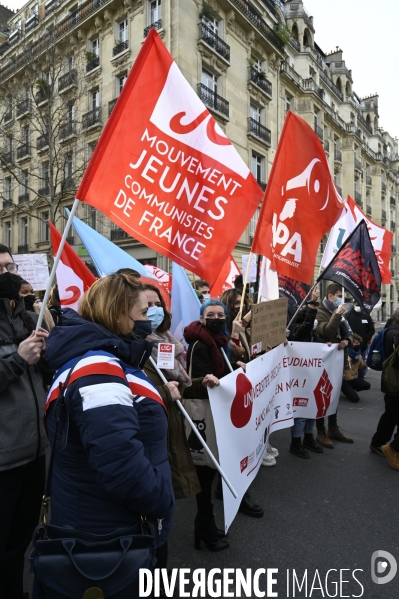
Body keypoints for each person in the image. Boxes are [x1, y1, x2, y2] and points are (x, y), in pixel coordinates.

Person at [38, 274, 175, 595]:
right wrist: (162, 501)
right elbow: (120, 466)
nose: (148, 320)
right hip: (107, 534)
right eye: (143, 313)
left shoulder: (103, 359)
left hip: (100, 523)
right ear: (117, 314)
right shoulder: (98, 368)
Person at [184, 300, 263, 553]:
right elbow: (203, 382)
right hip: (206, 415)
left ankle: (204, 524)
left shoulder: (219, 341)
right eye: (210, 314)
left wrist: (235, 371)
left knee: (212, 470)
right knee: (205, 474)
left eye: (220, 314)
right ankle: (205, 525)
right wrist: (221, 380)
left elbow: (222, 377)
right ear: (202, 317)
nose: (216, 317)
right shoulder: (199, 344)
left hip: (219, 415)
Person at [0, 244, 50, 599]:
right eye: (0, 269)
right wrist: (17, 359)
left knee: (20, 543)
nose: (9, 274)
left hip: (33, 452)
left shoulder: (26, 317)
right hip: (3, 459)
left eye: (10, 266)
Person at [143, 283, 219, 500]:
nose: (154, 309)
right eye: (147, 305)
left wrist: (199, 383)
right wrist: (165, 393)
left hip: (172, 425)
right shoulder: (134, 349)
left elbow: (179, 385)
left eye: (157, 304)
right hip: (154, 432)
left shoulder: (168, 341)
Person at [219, 288, 278, 466]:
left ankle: (262, 445)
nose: (241, 307)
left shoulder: (246, 328)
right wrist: (238, 331)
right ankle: (253, 451)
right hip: (237, 382)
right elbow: (232, 354)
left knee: (259, 415)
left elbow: (252, 349)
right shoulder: (226, 330)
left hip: (252, 377)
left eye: (243, 303)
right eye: (236, 304)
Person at [315, 283, 353, 448]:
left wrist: (347, 340)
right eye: (338, 296)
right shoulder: (320, 312)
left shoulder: (337, 312)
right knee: (321, 395)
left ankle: (333, 427)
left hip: (337, 360)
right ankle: (320, 431)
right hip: (323, 361)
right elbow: (328, 332)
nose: (340, 300)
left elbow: (349, 332)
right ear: (330, 296)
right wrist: (337, 314)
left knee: (335, 394)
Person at [287, 287, 324, 458]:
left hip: (311, 376)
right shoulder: (295, 330)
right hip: (299, 378)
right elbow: (306, 326)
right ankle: (296, 442)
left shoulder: (312, 334)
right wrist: (312, 304)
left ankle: (309, 437)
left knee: (313, 408)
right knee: (301, 412)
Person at [370, 309, 399, 467]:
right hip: (393, 381)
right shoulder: (392, 331)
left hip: (393, 381)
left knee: (392, 415)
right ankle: (382, 444)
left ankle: (384, 444)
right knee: (391, 415)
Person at [346, 303, 374, 379]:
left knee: (361, 362)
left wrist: (364, 340)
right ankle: (350, 378)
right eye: (357, 305)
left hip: (362, 345)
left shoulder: (366, 315)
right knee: (350, 362)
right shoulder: (348, 315)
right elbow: (344, 328)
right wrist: (350, 340)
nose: (358, 307)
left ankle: (361, 379)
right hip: (350, 345)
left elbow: (371, 330)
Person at [341, 333, 370, 402]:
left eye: (359, 343)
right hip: (343, 380)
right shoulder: (344, 353)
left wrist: (366, 364)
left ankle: (350, 389)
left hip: (352, 378)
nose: (358, 345)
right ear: (351, 343)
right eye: (356, 343)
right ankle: (343, 389)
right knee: (355, 399)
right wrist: (345, 361)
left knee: (367, 385)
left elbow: (359, 369)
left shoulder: (358, 354)